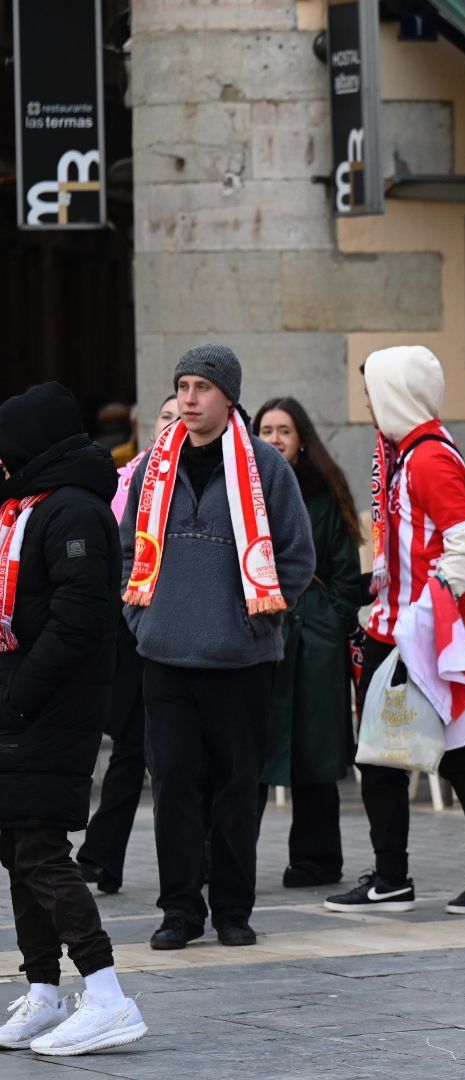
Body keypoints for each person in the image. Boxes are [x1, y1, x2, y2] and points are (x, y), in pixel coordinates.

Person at [121, 344, 316, 949]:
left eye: (201, 387)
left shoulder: (265, 467)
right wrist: (140, 621)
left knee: (236, 789)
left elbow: (296, 558)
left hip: (240, 661)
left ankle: (233, 908)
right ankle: (179, 910)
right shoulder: (154, 465)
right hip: (165, 658)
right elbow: (127, 552)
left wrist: (253, 624)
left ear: (228, 395)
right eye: (182, 385)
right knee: (175, 787)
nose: (188, 398)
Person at [324, 345, 465, 917]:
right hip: (395, 627)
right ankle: (391, 877)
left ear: (396, 395)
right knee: (380, 756)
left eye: (372, 391)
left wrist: (426, 615)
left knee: (457, 754)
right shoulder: (408, 454)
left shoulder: (429, 459)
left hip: (420, 633)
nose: (367, 403)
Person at [0, 383, 148, 1055]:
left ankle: (109, 994)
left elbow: (78, 621)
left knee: (39, 849)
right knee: (17, 846)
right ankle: (45, 991)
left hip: (52, 706)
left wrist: (18, 697)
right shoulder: (30, 507)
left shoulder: (75, 512)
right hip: (24, 702)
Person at [253, 397, 370, 889]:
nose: (275, 439)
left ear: (302, 439)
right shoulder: (242, 489)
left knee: (316, 752)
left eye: (285, 430)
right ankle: (225, 858)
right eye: (266, 430)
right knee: (247, 754)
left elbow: (347, 575)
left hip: (315, 642)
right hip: (256, 638)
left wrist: (327, 622)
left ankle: (316, 859)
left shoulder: (325, 491)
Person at [77, 395, 180, 894]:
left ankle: (189, 858)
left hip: (180, 630)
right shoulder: (129, 475)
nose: (171, 424)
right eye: (164, 416)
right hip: (132, 627)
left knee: (175, 753)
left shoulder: (198, 479)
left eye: (179, 418)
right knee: (132, 743)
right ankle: (102, 855)